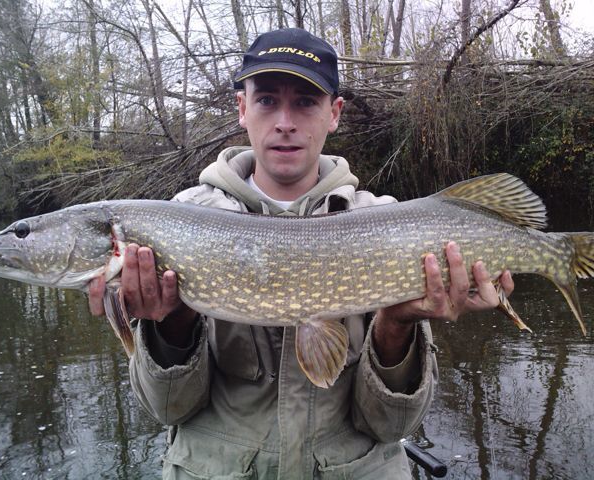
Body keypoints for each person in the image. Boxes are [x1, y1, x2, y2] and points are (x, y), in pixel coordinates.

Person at [89, 28, 514, 479]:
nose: (285, 121)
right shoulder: (177, 222)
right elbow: (169, 410)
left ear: (334, 114)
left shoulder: (385, 219)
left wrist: (396, 323)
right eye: (268, 100)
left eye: (306, 102)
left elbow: (392, 426)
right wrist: (172, 322)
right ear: (242, 109)